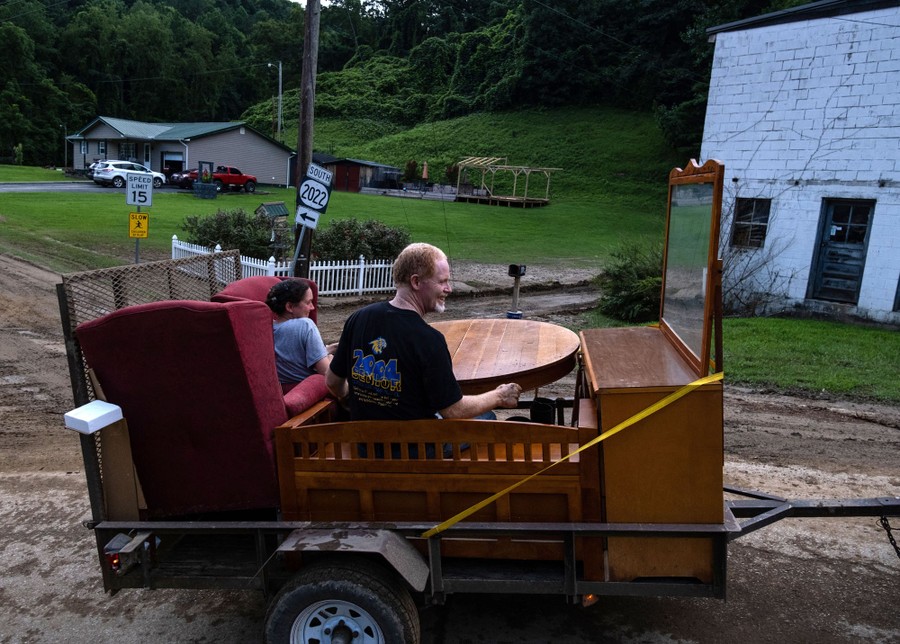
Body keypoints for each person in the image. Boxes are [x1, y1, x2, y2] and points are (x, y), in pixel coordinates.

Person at [326, 242, 521, 421]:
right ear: (416, 282)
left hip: (364, 447)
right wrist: (498, 396)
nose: (449, 289)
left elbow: (333, 382)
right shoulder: (429, 340)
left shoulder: (358, 318)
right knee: (487, 417)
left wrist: (346, 399)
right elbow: (453, 410)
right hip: (415, 453)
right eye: (442, 281)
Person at [266, 279, 335, 387]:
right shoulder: (305, 325)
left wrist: (331, 348)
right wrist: (330, 359)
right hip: (311, 389)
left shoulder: (269, 327)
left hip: (283, 389)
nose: (312, 307)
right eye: (308, 302)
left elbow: (295, 357)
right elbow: (328, 374)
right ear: (289, 307)